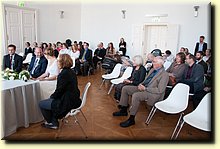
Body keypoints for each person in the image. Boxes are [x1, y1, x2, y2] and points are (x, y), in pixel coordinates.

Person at [113, 56, 169, 127]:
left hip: (153, 93)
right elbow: (146, 81)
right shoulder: (152, 70)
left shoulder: (165, 75)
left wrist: (145, 88)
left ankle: (131, 119)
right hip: (144, 88)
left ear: (160, 64)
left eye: (154, 62)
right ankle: (123, 110)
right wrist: (141, 84)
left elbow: (160, 90)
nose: (152, 63)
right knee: (125, 89)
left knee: (136, 96)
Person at [39, 54, 81, 129]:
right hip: (74, 97)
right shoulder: (71, 71)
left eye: (58, 61)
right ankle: (54, 121)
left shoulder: (63, 74)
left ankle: (52, 122)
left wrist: (52, 97)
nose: (57, 63)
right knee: (50, 101)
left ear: (62, 62)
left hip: (68, 101)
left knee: (41, 103)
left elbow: (59, 91)